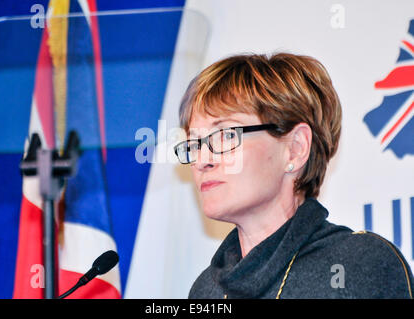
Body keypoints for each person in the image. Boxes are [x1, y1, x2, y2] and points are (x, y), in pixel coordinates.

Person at [173, 52, 413, 299]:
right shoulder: (206, 291)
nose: (202, 160)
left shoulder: (359, 265)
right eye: (194, 143)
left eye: (226, 135)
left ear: (295, 148)